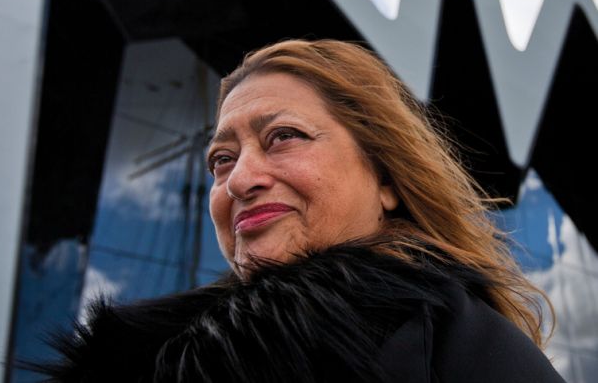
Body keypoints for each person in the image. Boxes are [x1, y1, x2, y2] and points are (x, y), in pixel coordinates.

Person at [34, 39, 565, 382]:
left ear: (385, 178)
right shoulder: (148, 363)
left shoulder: (467, 351)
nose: (239, 179)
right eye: (221, 159)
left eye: (283, 136)